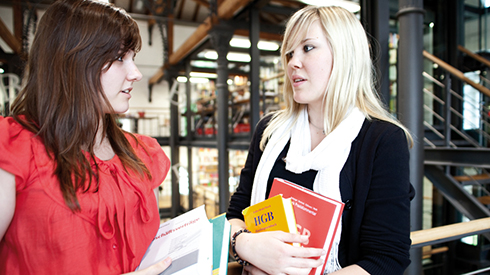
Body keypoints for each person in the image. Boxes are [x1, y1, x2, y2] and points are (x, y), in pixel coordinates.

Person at [226, 5, 415, 275]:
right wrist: (244, 245)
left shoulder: (382, 141)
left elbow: (385, 259)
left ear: (345, 55)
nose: (293, 62)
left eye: (308, 48)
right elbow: (235, 214)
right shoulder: (269, 130)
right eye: (289, 52)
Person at [0, 0, 172, 274]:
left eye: (133, 58)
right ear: (72, 61)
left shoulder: (139, 153)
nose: (136, 74)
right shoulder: (13, 148)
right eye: (119, 58)